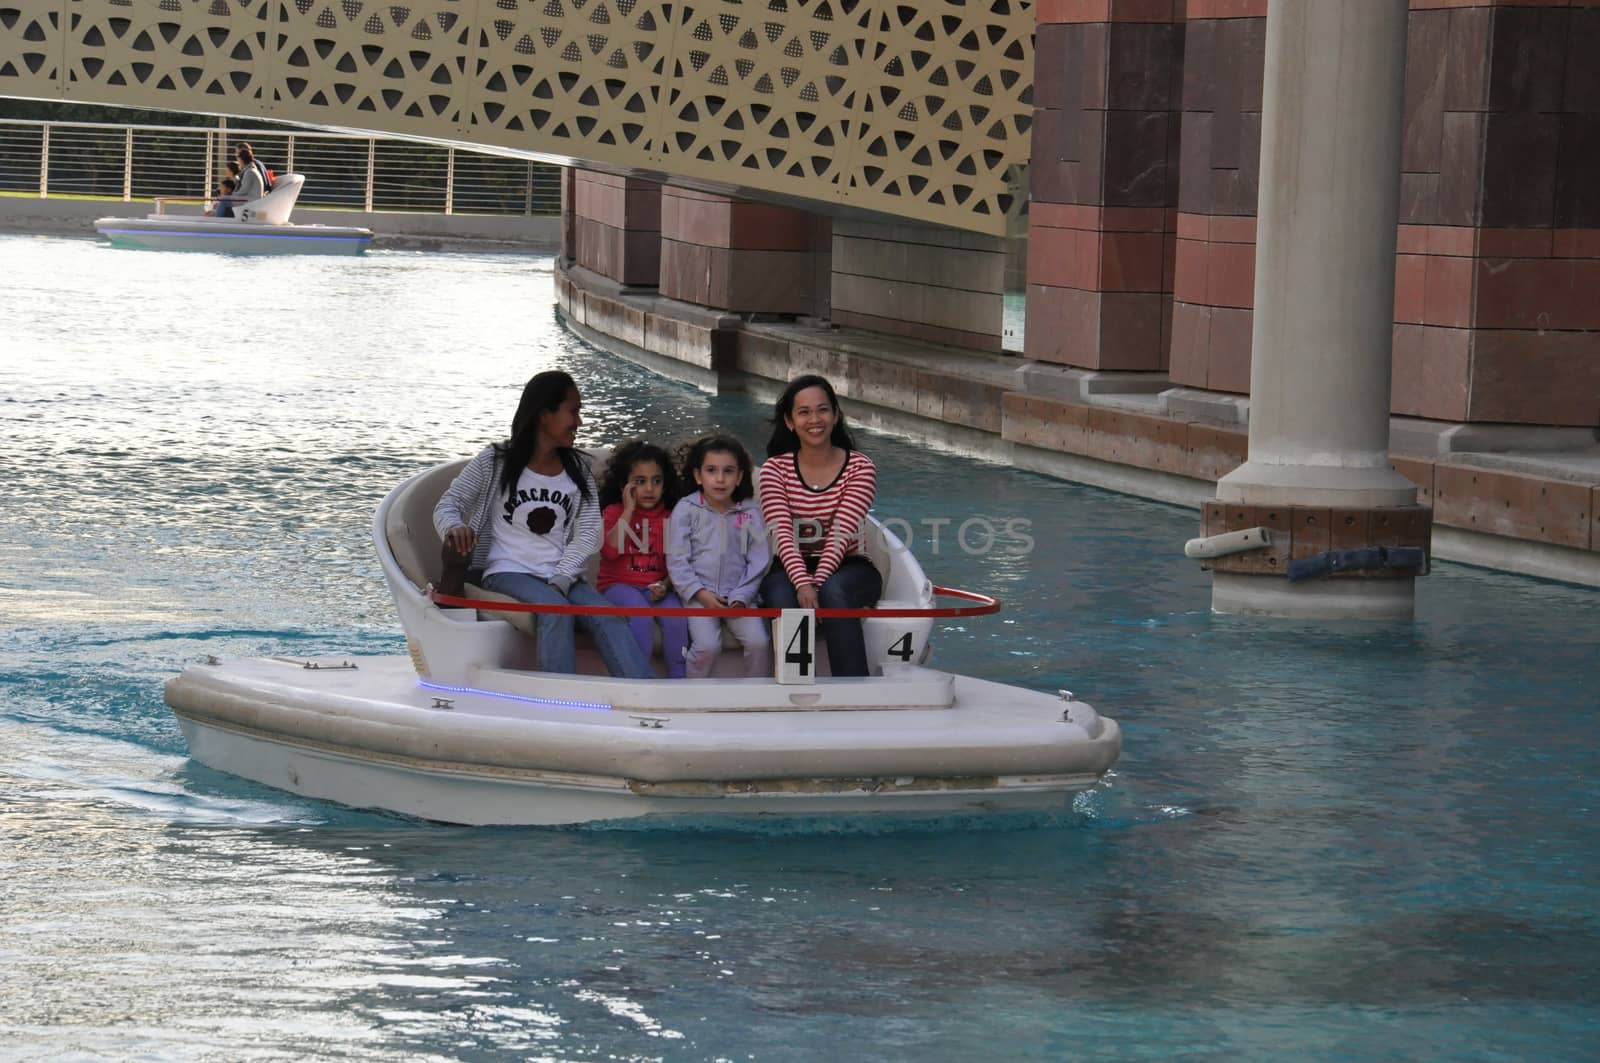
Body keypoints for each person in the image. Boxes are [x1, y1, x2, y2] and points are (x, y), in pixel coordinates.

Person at [433, 370, 652, 679]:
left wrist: (563, 576)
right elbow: (449, 504)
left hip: (561, 575)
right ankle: (560, 701)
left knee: (609, 617)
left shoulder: (578, 467)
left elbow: (590, 531)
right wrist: (453, 528)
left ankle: (644, 696)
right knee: (555, 611)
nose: (579, 422)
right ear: (544, 414)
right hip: (507, 571)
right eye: (573, 411)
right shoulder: (496, 461)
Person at [757, 375, 881, 677]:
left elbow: (842, 533)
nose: (815, 419)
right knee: (782, 597)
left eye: (822, 410)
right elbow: (782, 533)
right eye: (804, 412)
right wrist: (802, 583)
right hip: (790, 566)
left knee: (834, 591)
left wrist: (818, 582)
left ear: (836, 415)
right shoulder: (775, 469)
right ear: (789, 421)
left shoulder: (860, 467)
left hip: (849, 566)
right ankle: (794, 692)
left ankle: (852, 691)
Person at [668, 435, 772, 678]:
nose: (719, 478)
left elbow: (759, 560)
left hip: (740, 597)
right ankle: (693, 695)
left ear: (739, 477)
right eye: (711, 470)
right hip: (698, 595)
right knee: (707, 647)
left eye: (728, 471)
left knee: (759, 643)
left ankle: (757, 696)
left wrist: (741, 597)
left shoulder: (749, 511)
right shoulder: (686, 509)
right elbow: (677, 559)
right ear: (697, 476)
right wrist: (699, 594)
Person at [596, 440, 689, 678]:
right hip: (617, 586)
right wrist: (628, 510)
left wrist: (665, 585)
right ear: (624, 485)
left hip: (655, 588)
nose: (649, 489)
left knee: (676, 617)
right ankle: (639, 678)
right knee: (640, 614)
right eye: (640, 482)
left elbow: (677, 563)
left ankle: (678, 680)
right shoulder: (614, 513)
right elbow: (610, 551)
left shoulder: (671, 517)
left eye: (656, 481)